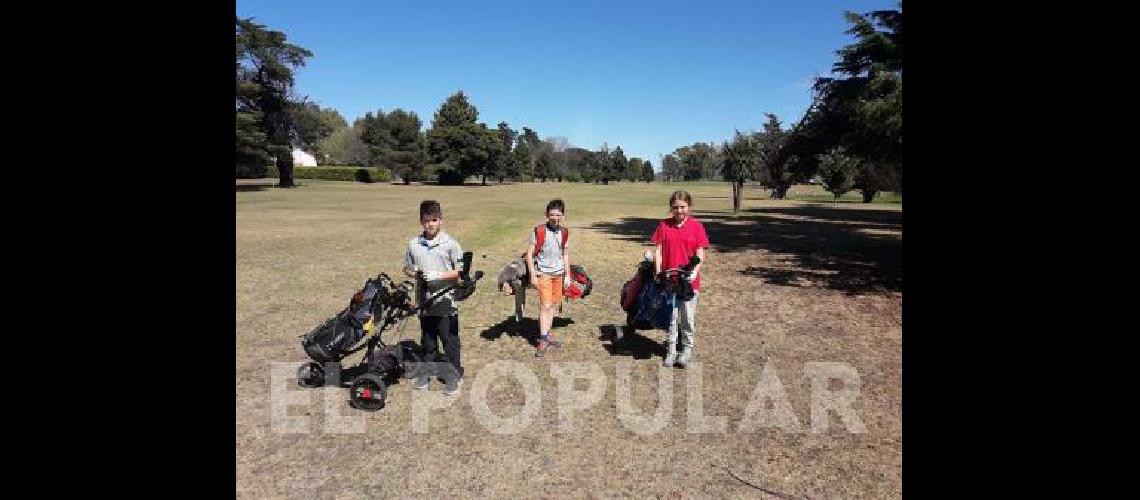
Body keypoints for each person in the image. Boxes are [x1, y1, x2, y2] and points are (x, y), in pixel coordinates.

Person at [403, 200, 465, 395]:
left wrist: (438, 275)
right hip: (425, 303)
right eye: (426, 220)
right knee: (428, 341)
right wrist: (415, 273)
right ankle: (427, 372)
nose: (430, 224)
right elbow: (406, 267)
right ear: (421, 221)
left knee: (449, 341)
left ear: (441, 220)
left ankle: (453, 375)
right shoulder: (414, 244)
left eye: (434, 220)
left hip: (446, 303)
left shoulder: (451, 245)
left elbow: (460, 273)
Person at [650, 190, 710, 368]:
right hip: (669, 281)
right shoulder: (664, 225)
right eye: (675, 207)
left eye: (683, 207)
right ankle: (670, 351)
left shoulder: (697, 227)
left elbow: (701, 252)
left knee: (687, 318)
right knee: (670, 318)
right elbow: (658, 251)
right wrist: (659, 271)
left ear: (689, 207)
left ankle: (686, 350)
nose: (679, 211)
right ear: (671, 208)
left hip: (688, 283)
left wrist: (694, 271)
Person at [525, 199, 572, 358]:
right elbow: (529, 255)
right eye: (551, 214)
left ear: (563, 216)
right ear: (546, 215)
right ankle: (543, 338)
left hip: (558, 274)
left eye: (558, 214)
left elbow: (565, 254)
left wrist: (568, 275)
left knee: (552, 305)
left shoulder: (564, 232)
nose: (555, 217)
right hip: (543, 274)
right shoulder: (539, 231)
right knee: (545, 305)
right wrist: (533, 274)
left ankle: (547, 333)